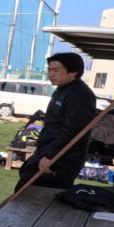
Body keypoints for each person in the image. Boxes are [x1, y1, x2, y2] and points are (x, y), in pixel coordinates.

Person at [14, 52, 98, 192]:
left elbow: (73, 131)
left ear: (73, 72)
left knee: (33, 196)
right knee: (24, 191)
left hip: (61, 160)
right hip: (45, 152)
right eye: (49, 70)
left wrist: (50, 156)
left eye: (56, 70)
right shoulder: (61, 90)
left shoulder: (80, 95)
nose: (51, 74)